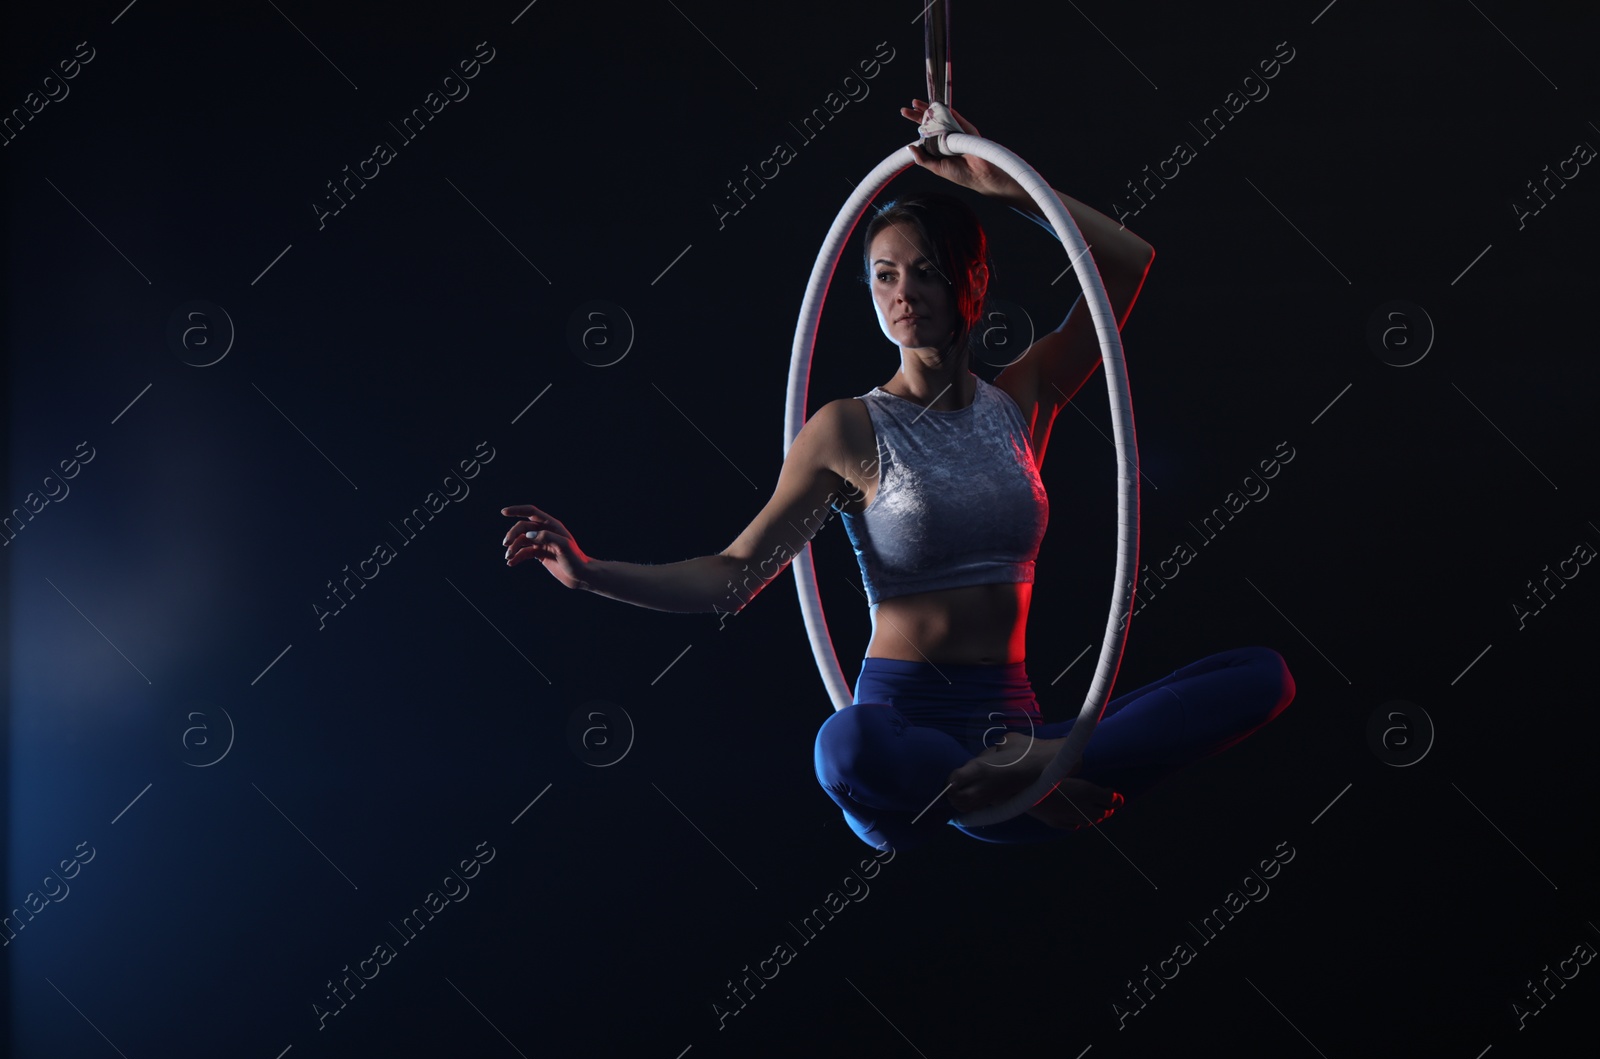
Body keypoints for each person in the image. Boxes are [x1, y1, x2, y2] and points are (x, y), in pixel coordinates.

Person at [500, 99, 1296, 849]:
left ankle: (1020, 777)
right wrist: (591, 573)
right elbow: (737, 575)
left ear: (972, 282)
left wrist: (994, 179)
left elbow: (1125, 262)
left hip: (1015, 733)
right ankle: (1009, 786)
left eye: (923, 270)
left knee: (1264, 676)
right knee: (844, 747)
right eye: (884, 274)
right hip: (900, 741)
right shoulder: (848, 428)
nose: (903, 293)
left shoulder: (1024, 396)